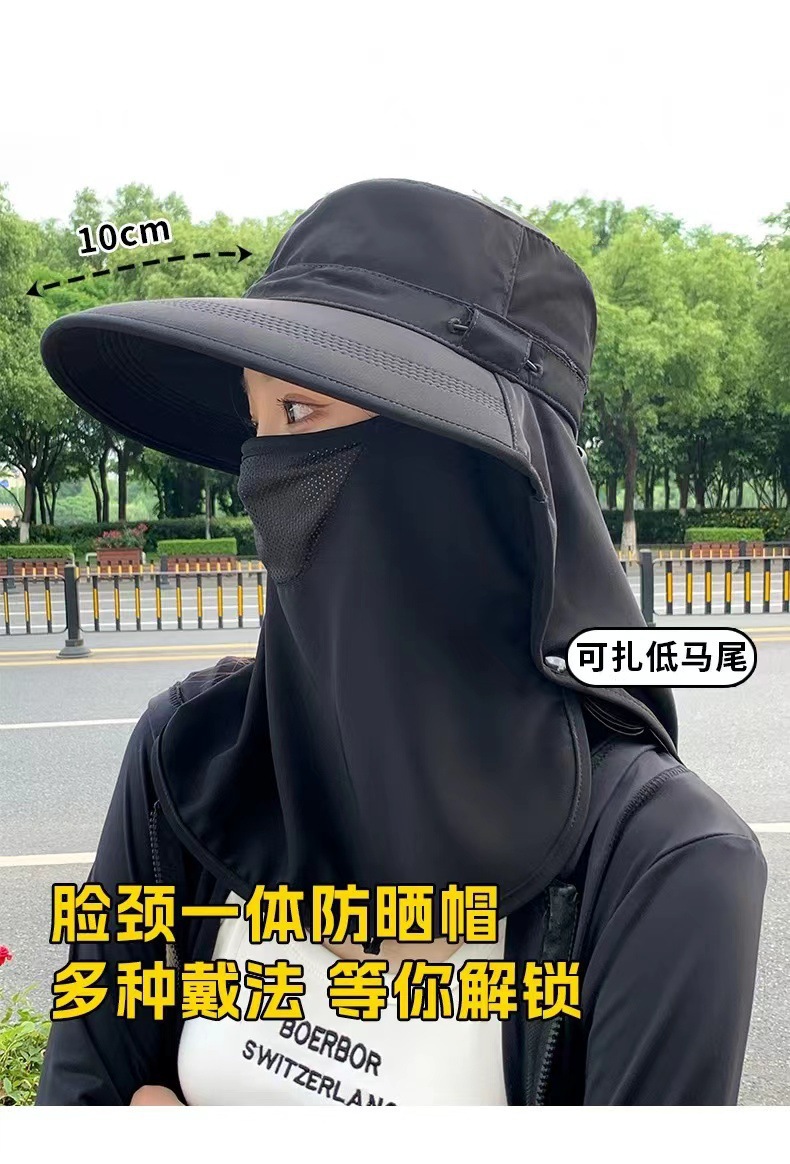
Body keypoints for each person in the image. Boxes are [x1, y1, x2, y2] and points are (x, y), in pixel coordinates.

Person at [34, 178, 766, 1106]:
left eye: (301, 414)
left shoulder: (665, 859)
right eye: (258, 422)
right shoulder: (188, 759)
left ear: (463, 467)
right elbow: (80, 1098)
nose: (264, 473)